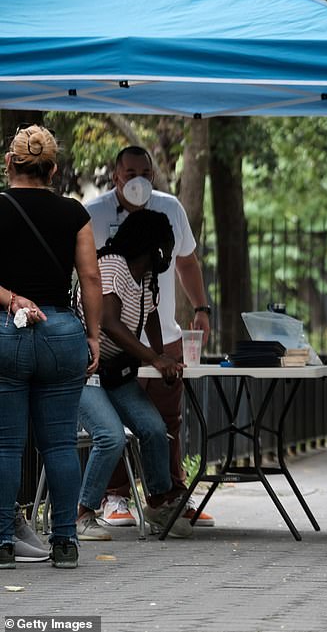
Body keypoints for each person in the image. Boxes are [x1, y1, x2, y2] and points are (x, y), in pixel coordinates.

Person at [85, 146, 214, 528]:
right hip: (105, 354)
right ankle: (112, 498)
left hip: (157, 341)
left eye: (145, 171)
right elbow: (106, 315)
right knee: (113, 429)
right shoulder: (96, 222)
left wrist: (195, 314)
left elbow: (176, 278)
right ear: (115, 175)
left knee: (164, 421)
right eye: (130, 172)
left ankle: (167, 494)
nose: (138, 178)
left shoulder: (168, 214)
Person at [0, 125, 102, 569]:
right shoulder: (74, 213)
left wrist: (14, 299)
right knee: (60, 444)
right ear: (53, 168)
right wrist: (94, 335)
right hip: (63, 331)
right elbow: (92, 279)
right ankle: (65, 542)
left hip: (8, 329)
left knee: (5, 446)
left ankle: (3, 542)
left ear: (9, 164)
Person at [74, 210, 193, 541]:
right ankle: (82, 514)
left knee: (154, 429)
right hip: (87, 373)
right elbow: (109, 321)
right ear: (153, 247)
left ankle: (157, 502)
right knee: (110, 436)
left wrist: (164, 356)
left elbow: (151, 315)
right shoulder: (113, 265)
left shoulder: (143, 276)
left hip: (117, 372)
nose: (169, 256)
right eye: (167, 249)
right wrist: (155, 359)